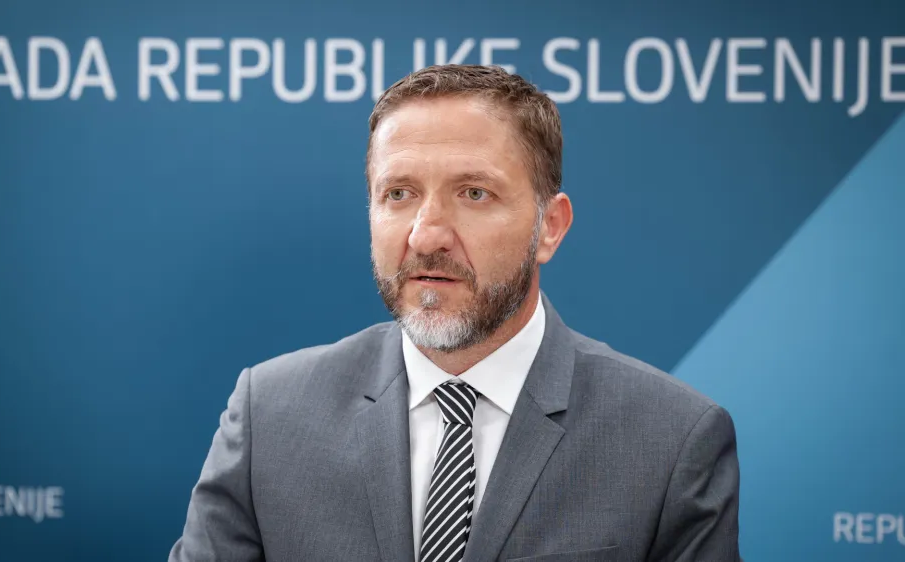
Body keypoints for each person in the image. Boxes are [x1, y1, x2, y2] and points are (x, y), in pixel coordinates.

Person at [168, 64, 740, 562]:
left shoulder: (671, 441)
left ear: (550, 227)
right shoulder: (269, 417)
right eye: (399, 194)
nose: (426, 235)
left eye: (473, 193)